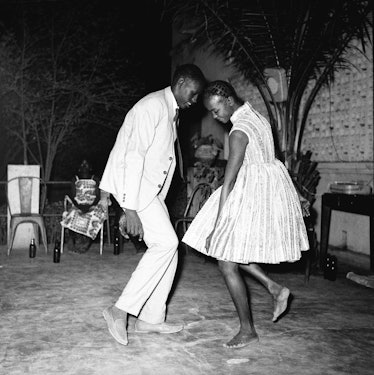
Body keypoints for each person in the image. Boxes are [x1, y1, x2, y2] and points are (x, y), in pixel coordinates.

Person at [182, 80, 310, 349]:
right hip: (268, 191)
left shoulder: (238, 132)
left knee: (225, 261)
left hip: (249, 196)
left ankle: (247, 330)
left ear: (229, 101)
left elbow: (228, 182)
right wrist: (294, 195)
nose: (216, 117)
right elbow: (273, 161)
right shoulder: (258, 116)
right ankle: (274, 288)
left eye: (216, 111)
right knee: (232, 254)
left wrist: (217, 228)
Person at [99, 64, 206, 346]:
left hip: (150, 193)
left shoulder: (169, 110)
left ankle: (151, 320)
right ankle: (119, 310)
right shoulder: (152, 106)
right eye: (193, 94)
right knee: (168, 244)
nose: (194, 101)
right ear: (181, 82)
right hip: (139, 191)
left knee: (170, 250)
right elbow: (131, 155)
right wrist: (129, 207)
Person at [62, 159, 107, 253]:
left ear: (90, 168)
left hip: (93, 206)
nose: (84, 166)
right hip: (78, 206)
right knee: (73, 214)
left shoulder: (95, 179)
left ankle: (85, 244)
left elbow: (98, 195)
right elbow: (73, 195)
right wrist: (79, 208)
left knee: (95, 216)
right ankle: (74, 242)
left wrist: (92, 206)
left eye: (86, 164)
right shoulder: (75, 179)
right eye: (82, 164)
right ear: (79, 168)